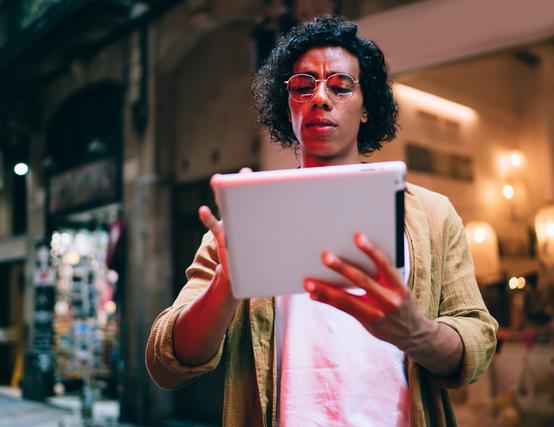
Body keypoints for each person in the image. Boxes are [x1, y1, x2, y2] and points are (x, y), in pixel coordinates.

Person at [146, 15, 498, 427]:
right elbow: (165, 363)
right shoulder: (245, 220)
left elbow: (477, 341)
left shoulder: (432, 216)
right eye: (302, 86)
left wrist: (416, 332)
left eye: (341, 85)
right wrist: (228, 282)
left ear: (367, 106)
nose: (320, 98)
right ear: (288, 106)